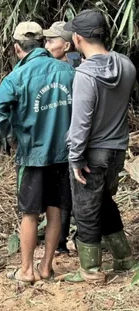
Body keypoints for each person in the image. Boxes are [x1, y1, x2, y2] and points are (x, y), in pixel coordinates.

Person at [0, 22, 75, 284]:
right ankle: (46, 267)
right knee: (56, 210)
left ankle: (26, 270)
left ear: (17, 48)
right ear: (42, 43)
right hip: (64, 154)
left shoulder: (16, 77)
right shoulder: (69, 71)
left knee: (29, 213)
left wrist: (12, 134)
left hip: (33, 155)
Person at [64, 10, 138, 283]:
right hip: (117, 150)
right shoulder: (126, 65)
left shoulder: (85, 75)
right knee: (104, 201)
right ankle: (124, 258)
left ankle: (91, 270)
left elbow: (81, 123)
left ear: (77, 38)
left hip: (92, 153)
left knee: (85, 208)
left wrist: (75, 158)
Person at [34, 21, 82, 257]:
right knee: (56, 194)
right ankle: (58, 239)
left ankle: (65, 241)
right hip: (50, 143)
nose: (46, 44)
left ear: (66, 45)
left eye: (51, 40)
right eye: (46, 39)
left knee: (67, 194)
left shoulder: (78, 70)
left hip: (71, 144)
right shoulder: (46, 68)